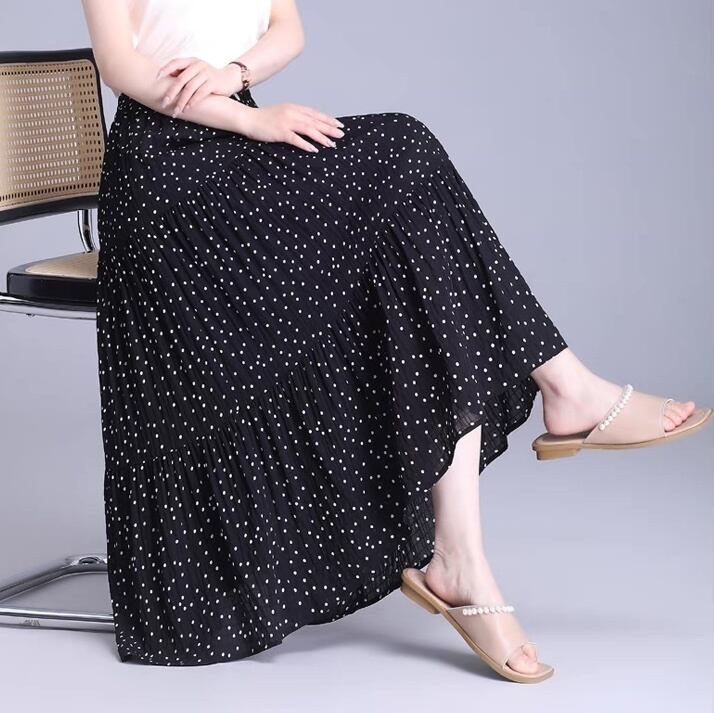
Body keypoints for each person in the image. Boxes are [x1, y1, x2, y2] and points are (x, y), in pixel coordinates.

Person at [81, 0, 712, 681]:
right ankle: (562, 400)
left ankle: (464, 550)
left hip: (244, 147)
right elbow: (120, 67)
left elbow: (287, 28)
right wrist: (250, 117)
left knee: (417, 246)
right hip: (169, 177)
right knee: (404, 158)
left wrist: (235, 73)